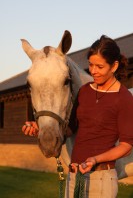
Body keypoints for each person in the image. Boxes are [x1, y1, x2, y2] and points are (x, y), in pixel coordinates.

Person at [22, 35, 133, 198]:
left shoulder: (123, 98)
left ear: (114, 66)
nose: (93, 71)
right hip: (74, 176)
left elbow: (126, 146)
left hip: (101, 180)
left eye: (100, 67)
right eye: (91, 65)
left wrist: (95, 159)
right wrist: (43, 128)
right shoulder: (85, 91)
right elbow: (71, 129)